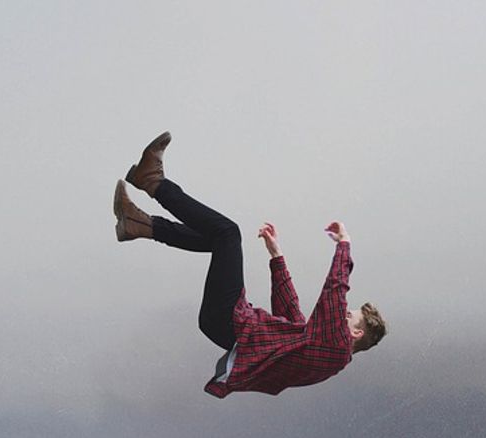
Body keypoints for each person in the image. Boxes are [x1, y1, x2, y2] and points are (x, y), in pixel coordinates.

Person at [114, 132, 387, 398]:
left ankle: (152, 182)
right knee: (217, 239)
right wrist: (277, 257)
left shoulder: (337, 348)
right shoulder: (323, 352)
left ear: (356, 333)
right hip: (227, 325)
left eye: (349, 316)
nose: (343, 314)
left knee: (227, 232)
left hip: (232, 322)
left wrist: (344, 246)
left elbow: (334, 293)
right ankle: (139, 224)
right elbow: (292, 320)